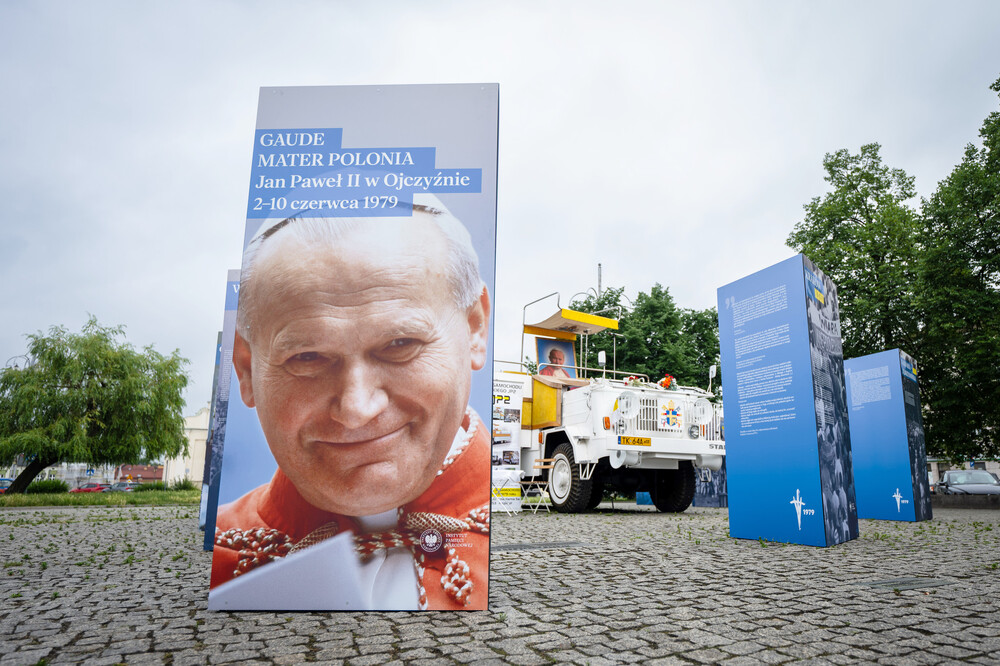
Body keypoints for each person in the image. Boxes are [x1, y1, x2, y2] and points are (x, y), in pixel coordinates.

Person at [209, 198, 491, 610]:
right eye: (307, 357)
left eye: (400, 343)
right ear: (246, 368)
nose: (357, 410)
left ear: (475, 329)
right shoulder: (216, 554)